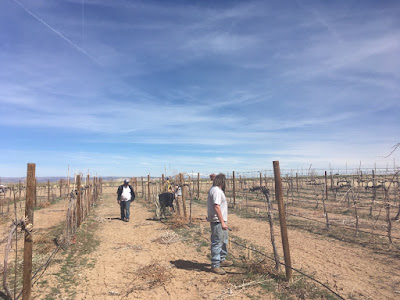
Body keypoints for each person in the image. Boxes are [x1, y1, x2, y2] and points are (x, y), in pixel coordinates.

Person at [207, 173, 233, 275]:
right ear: (222, 182)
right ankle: (215, 265)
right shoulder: (217, 191)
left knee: (224, 241)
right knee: (217, 242)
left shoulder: (214, 189)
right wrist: (222, 222)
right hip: (218, 221)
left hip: (219, 220)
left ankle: (222, 259)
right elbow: (216, 206)